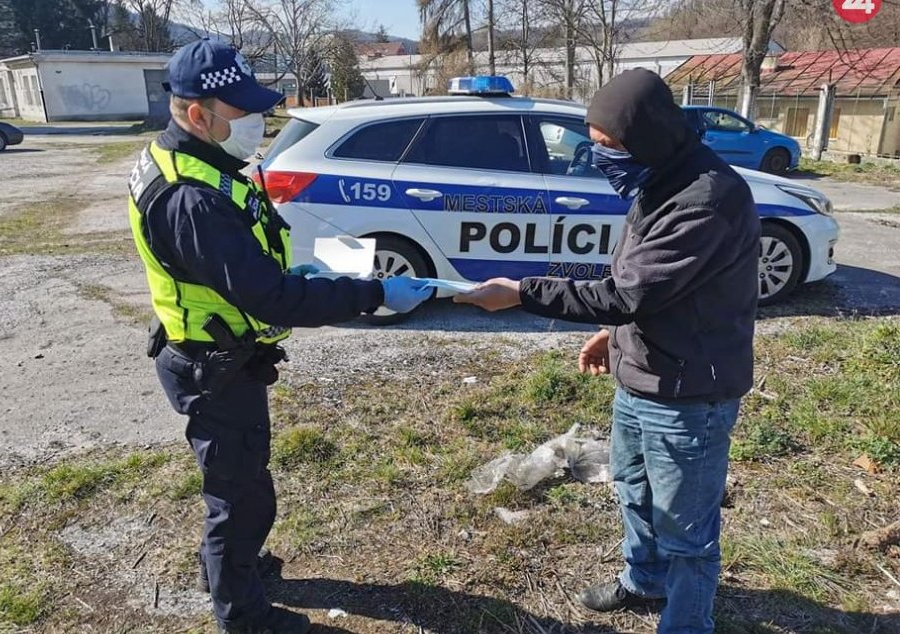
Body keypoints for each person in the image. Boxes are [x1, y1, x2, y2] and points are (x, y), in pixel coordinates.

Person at [127, 38, 431, 634]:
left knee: (239, 484)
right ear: (198, 115)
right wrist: (372, 294)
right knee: (240, 497)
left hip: (215, 352)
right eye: (244, 114)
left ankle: (225, 569)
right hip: (211, 365)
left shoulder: (197, 163)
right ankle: (242, 615)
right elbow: (268, 296)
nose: (258, 125)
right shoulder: (191, 198)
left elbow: (246, 269)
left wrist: (298, 271)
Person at [454, 69, 760, 634]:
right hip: (641, 376)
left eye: (608, 147)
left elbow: (627, 291)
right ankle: (644, 580)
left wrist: (522, 293)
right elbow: (651, 288)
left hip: (688, 394)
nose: (599, 158)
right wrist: (615, 336)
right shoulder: (660, 177)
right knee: (634, 492)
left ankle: (686, 623)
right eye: (591, 144)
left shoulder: (706, 200)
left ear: (647, 136)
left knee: (687, 531)